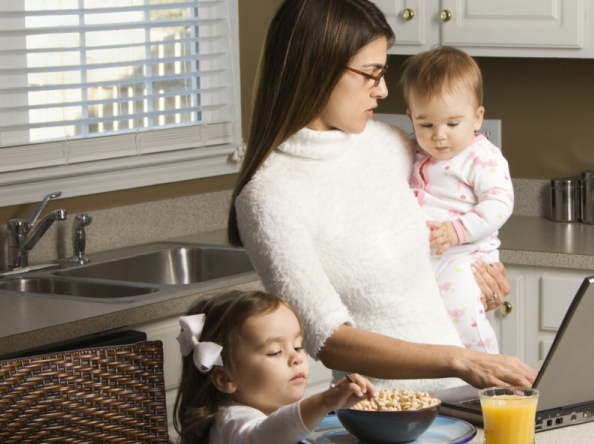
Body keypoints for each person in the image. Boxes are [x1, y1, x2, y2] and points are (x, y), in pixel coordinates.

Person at [227, 0, 536, 392]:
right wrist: (459, 360)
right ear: (319, 70)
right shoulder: (268, 196)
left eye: (384, 73)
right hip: (384, 414)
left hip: (465, 394)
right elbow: (331, 341)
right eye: (371, 74)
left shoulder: (391, 145)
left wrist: (480, 278)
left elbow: (434, 250)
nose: (384, 89)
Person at [402, 46, 513, 354]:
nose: (439, 135)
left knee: (463, 316)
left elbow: (499, 203)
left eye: (452, 123)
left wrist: (457, 231)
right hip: (423, 258)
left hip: (465, 256)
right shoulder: (408, 150)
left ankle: (491, 372)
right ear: (411, 118)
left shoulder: (481, 157)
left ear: (477, 118)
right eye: (426, 124)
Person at [173, 290, 377, 444]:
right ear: (226, 378)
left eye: (298, 347)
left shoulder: (268, 409)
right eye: (275, 352)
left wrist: (338, 403)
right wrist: (323, 402)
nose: (297, 358)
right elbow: (266, 435)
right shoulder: (231, 422)